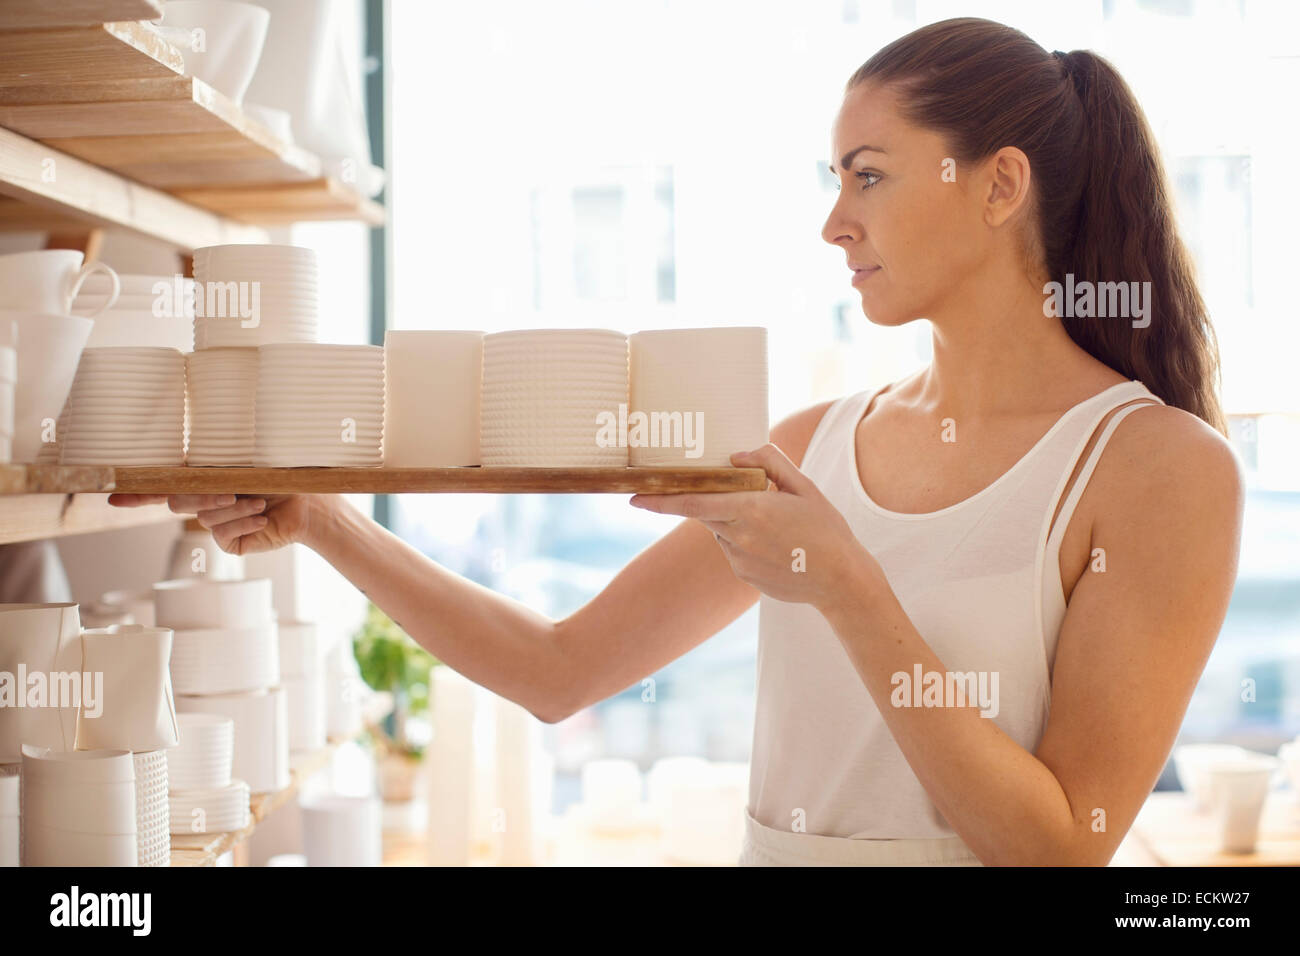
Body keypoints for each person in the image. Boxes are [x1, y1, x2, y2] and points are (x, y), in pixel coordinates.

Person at [112, 18, 1243, 866]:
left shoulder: (1160, 469)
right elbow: (559, 670)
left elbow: (1061, 846)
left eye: (869, 175)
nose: (833, 220)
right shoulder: (817, 444)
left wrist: (846, 584)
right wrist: (323, 521)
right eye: (832, 179)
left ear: (998, 183)